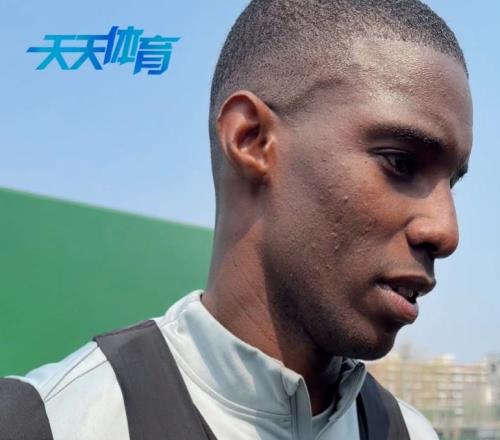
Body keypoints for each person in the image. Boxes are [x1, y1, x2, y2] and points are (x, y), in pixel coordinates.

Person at [0, 0, 473, 439]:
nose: (446, 232)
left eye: (451, 182)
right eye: (400, 162)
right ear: (251, 139)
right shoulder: (49, 422)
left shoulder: (413, 433)